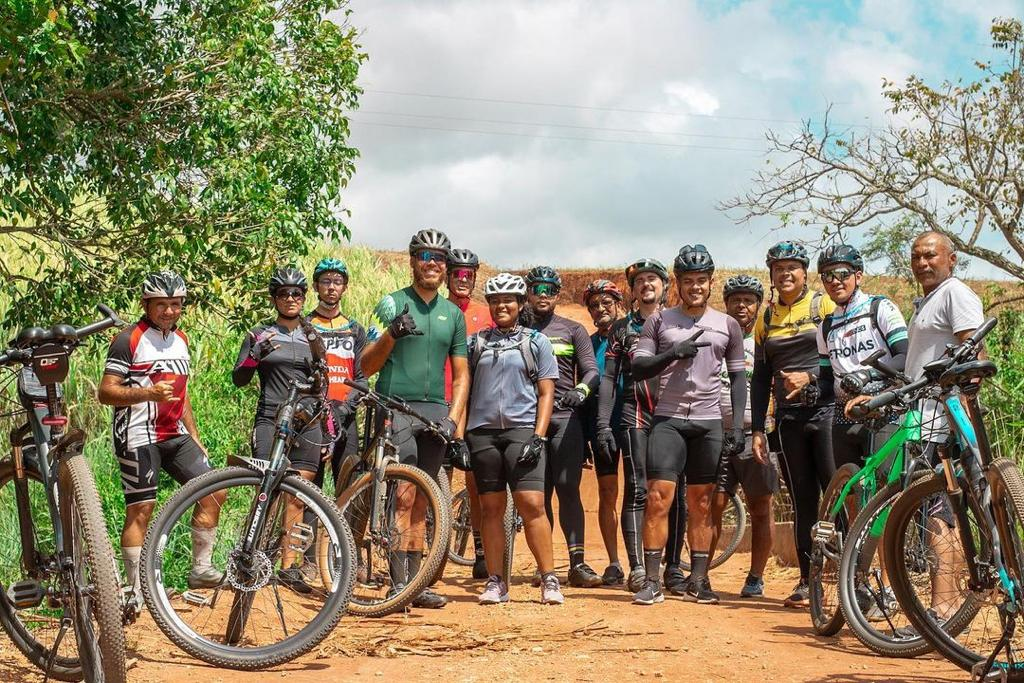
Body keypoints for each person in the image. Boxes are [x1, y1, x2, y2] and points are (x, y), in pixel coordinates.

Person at [846, 231, 983, 622]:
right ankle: (945, 606)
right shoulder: (931, 300)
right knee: (934, 507)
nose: (922, 263)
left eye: (931, 255)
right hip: (924, 416)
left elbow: (973, 355)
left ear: (951, 259)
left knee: (940, 509)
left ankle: (945, 606)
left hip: (943, 420)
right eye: (916, 256)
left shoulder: (955, 293)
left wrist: (963, 412)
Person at [99, 271, 224, 606]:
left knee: (214, 491)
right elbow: (105, 392)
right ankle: (135, 590)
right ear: (146, 304)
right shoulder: (129, 339)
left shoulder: (181, 339)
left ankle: (201, 568)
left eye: (175, 304)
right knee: (142, 508)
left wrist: (194, 436)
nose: (169, 311)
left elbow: (182, 394)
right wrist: (149, 393)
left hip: (175, 433)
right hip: (137, 433)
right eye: (161, 305)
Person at [630, 245, 746, 605]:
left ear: (711, 283)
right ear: (676, 284)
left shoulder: (727, 325)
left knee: (703, 502)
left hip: (709, 422)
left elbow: (739, 378)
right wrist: (671, 354)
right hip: (668, 420)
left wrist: (737, 427)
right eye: (687, 281)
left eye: (701, 280)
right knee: (658, 498)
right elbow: (639, 368)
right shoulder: (660, 322)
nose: (695, 287)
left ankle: (699, 579)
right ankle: (651, 581)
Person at [360, 228, 469, 610]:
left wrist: (454, 420)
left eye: (440, 258)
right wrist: (391, 334)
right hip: (396, 407)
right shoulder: (391, 303)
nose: (433, 264)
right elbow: (366, 365)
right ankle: (397, 584)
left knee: (424, 499)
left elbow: (461, 375)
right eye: (425, 256)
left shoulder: (453, 314)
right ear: (412, 261)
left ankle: (415, 584)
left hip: (436, 412)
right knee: (403, 496)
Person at [464, 273, 564, 605]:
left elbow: (546, 392)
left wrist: (539, 436)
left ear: (521, 304)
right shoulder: (476, 343)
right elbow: (464, 391)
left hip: (522, 431)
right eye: (495, 301)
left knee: (532, 504)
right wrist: (462, 435)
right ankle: (496, 581)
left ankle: (549, 578)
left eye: (508, 300)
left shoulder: (536, 342)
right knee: (491, 507)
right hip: (483, 433)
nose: (501, 306)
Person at [750, 240, 837, 609]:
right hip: (788, 421)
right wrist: (757, 428)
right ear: (771, 275)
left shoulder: (824, 305)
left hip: (828, 413)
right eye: (778, 269)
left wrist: (812, 378)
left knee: (839, 498)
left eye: (792, 268)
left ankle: (854, 582)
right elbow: (760, 378)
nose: (785, 274)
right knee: (804, 502)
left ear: (805, 272)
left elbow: (841, 359)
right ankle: (807, 581)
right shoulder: (765, 318)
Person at [233, 267, 331, 594]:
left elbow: (324, 385)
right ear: (274, 299)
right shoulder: (260, 334)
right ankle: (251, 558)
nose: (291, 299)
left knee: (297, 495)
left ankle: (289, 567)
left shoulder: (313, 336)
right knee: (266, 489)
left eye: (297, 294)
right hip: (270, 417)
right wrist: (254, 357)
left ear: (305, 298)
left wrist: (327, 428)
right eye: (284, 294)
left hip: (308, 420)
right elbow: (239, 379)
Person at [596, 258, 680, 593]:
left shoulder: (677, 322)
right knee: (638, 487)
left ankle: (673, 568)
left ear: (664, 286)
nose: (647, 284)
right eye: (640, 280)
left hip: (674, 413)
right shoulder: (621, 329)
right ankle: (638, 568)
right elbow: (607, 378)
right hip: (635, 412)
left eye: (653, 279)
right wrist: (603, 424)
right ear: (633, 290)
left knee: (675, 492)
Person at [524, 266, 603, 588]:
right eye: (537, 289)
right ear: (528, 292)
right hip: (528, 421)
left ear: (558, 295)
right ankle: (547, 568)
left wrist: (580, 392)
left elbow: (591, 372)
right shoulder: (517, 328)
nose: (543, 295)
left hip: (565, 420)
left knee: (568, 491)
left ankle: (578, 563)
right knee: (537, 496)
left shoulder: (573, 330)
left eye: (550, 290)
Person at [711, 274, 780, 599]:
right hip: (717, 435)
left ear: (759, 305)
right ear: (726, 305)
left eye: (748, 300)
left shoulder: (766, 344)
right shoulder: (716, 340)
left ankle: (755, 577)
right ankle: (700, 574)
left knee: (760, 507)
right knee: (711, 504)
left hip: (757, 436)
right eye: (735, 300)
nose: (742, 305)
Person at [444, 247, 493, 580]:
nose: (463, 280)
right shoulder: (437, 309)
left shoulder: (486, 314)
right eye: (458, 274)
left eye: (469, 275)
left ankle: (480, 552)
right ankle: (426, 552)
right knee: (437, 482)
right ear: (448, 276)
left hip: (475, 404)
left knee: (476, 484)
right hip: (438, 402)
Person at [581, 279, 626, 585]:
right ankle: (614, 562)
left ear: (618, 304)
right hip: (602, 422)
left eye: (606, 303)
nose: (601, 309)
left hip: (636, 418)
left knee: (642, 491)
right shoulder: (588, 343)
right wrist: (586, 433)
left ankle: (646, 558)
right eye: (595, 305)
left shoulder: (636, 333)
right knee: (608, 492)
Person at [308, 257, 367, 484]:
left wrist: (344, 409)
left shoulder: (354, 330)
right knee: (309, 489)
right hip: (313, 416)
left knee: (349, 487)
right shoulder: (306, 326)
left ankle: (343, 522)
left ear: (345, 287)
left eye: (337, 281)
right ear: (315, 286)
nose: (331, 287)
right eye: (325, 281)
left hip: (345, 414)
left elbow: (361, 378)